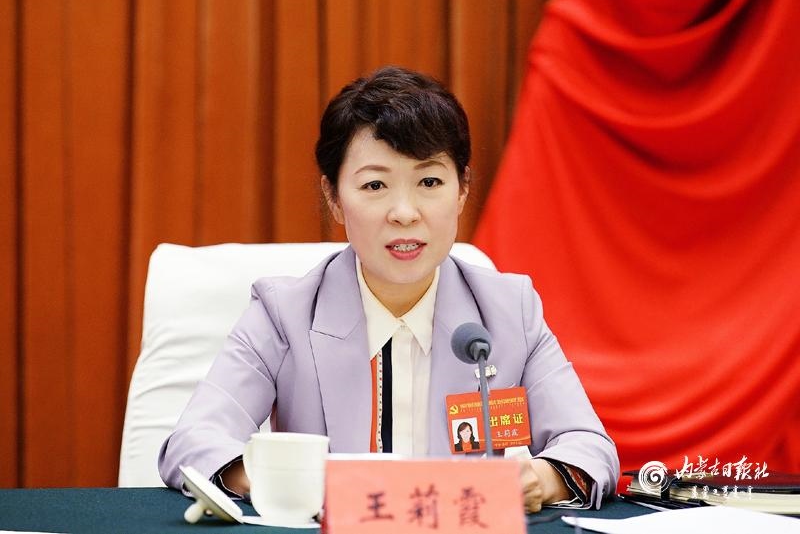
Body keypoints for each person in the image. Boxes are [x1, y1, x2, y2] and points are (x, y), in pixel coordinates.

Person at [158, 66, 620, 512]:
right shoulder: (284, 314)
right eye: (375, 184)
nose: (404, 212)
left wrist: (538, 479)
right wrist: (285, 483)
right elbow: (194, 441)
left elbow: (589, 447)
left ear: (462, 190)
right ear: (334, 198)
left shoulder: (508, 312)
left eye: (429, 182)